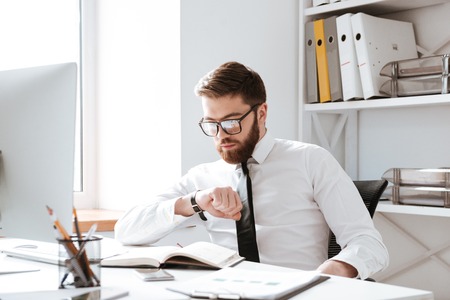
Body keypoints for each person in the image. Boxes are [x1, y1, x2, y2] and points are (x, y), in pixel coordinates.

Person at [114, 61, 389, 279]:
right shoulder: (202, 178)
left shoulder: (311, 161)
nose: (221, 135)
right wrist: (193, 202)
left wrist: (337, 269)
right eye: (211, 124)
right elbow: (126, 231)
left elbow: (368, 243)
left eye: (231, 122)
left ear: (261, 113)